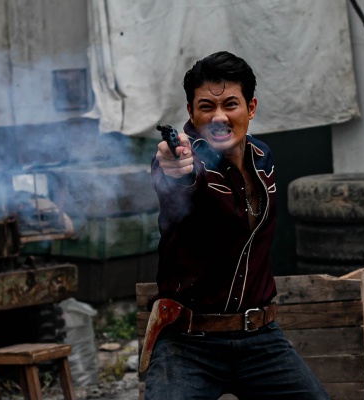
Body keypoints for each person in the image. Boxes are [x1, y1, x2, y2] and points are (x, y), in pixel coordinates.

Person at [141, 51, 330, 400]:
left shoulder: (262, 156)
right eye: (206, 107)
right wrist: (173, 165)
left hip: (260, 339)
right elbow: (177, 173)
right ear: (190, 113)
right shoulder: (186, 159)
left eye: (230, 104)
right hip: (188, 343)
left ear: (251, 107)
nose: (219, 117)